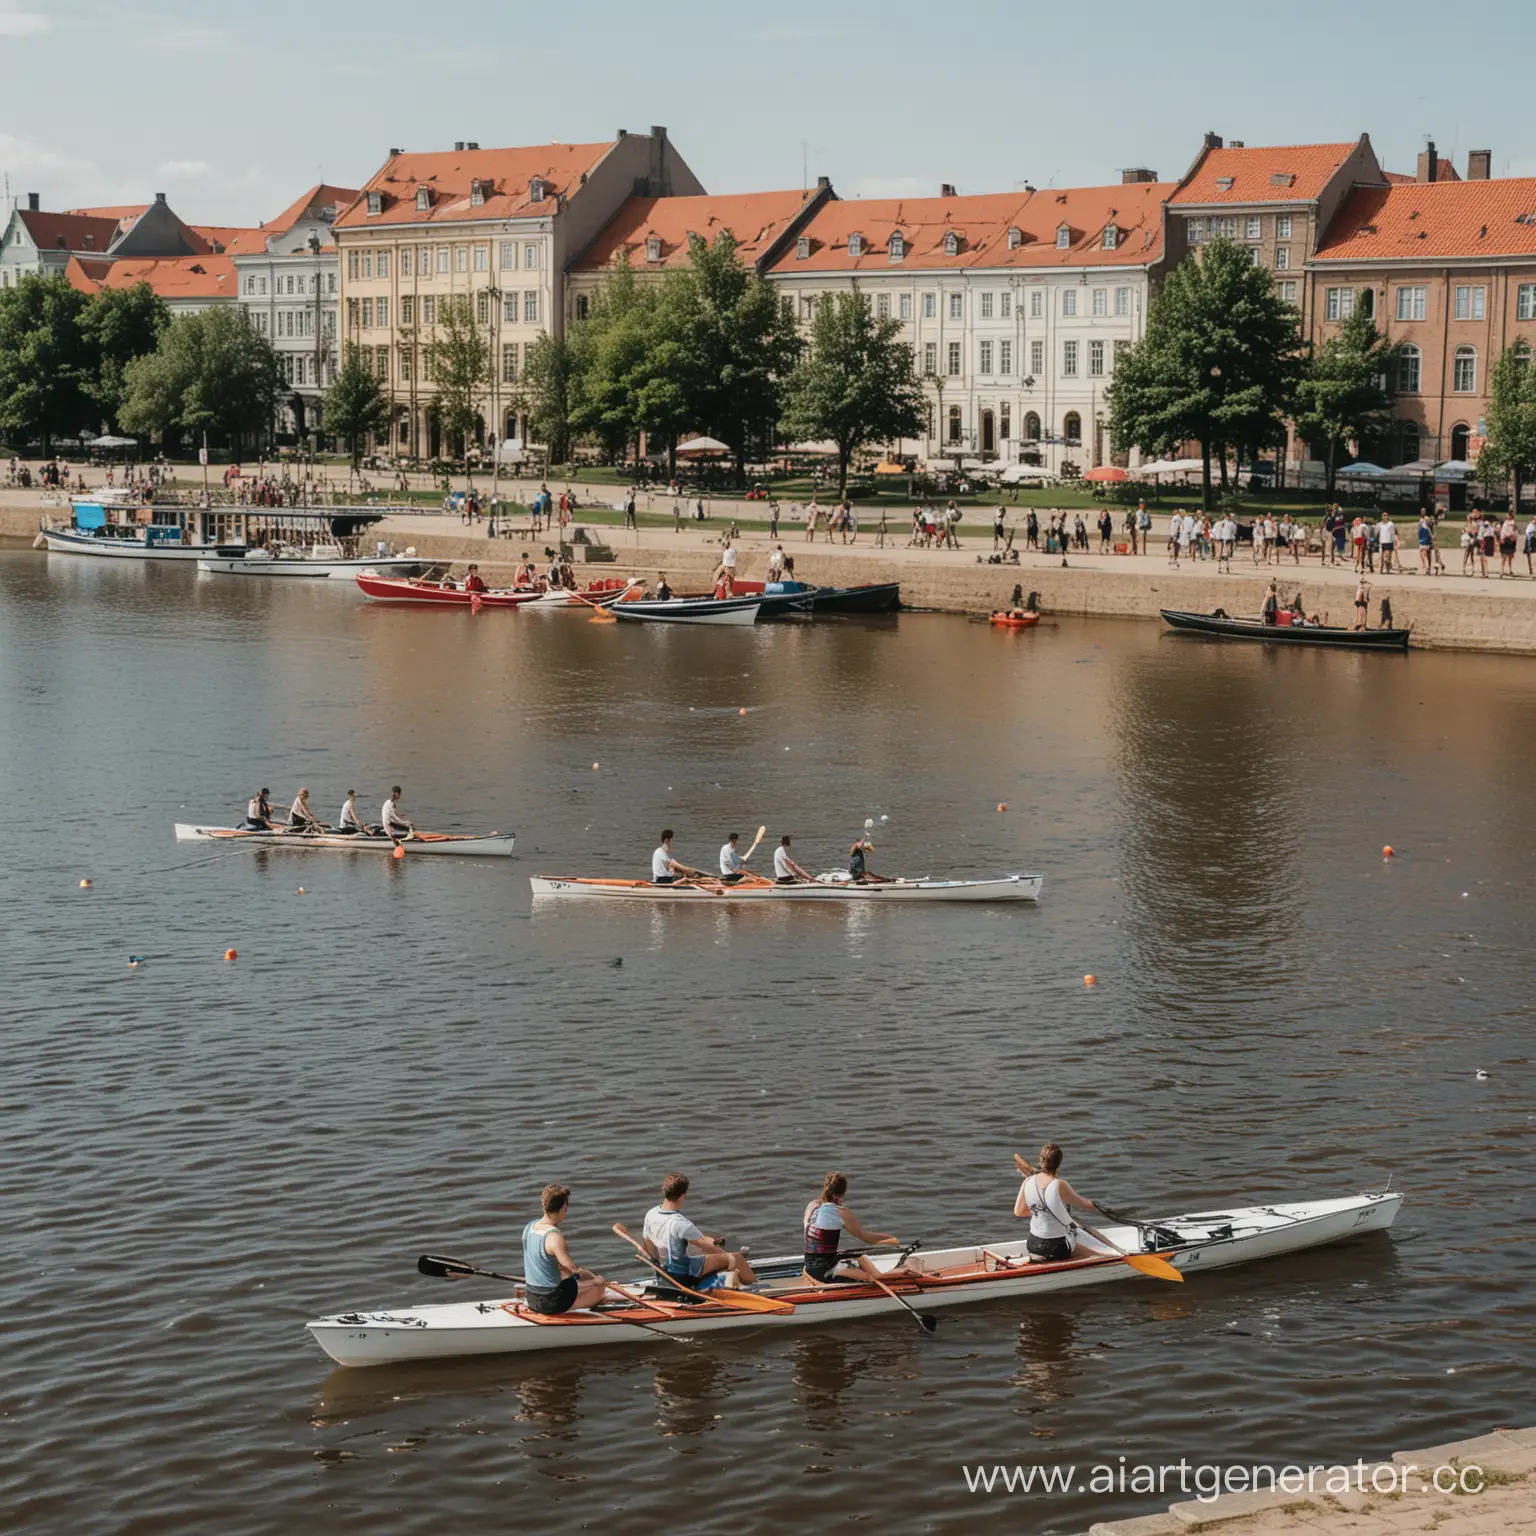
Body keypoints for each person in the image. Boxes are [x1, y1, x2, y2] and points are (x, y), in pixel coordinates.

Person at [643, 1172, 756, 1290]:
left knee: (704, 1256)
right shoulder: (680, 1223)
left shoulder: (651, 1214)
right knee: (734, 1258)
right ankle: (756, 1288)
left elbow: (649, 1245)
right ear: (683, 1196)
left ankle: (723, 1281)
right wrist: (727, 1257)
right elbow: (710, 1248)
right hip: (683, 1273)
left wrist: (658, 1268)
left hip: (665, 1273)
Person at [802, 1172, 914, 1284]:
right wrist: (893, 1240)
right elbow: (866, 1237)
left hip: (809, 1266)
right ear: (843, 1192)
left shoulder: (812, 1205)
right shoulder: (840, 1212)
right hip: (823, 1271)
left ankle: (885, 1274)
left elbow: (811, 1231)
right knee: (869, 1277)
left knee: (860, 1257)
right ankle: (903, 1275)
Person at [522, 1183, 608, 1315]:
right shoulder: (554, 1236)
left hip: (531, 1296)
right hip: (551, 1303)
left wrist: (588, 1276)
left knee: (581, 1278)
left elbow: (560, 1268)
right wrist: (596, 1281)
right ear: (563, 1208)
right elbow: (573, 1271)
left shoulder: (529, 1227)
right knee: (600, 1289)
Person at [1012, 1143, 1106, 1262]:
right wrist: (1099, 1207)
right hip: (1055, 1248)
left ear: (1041, 1160)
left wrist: (1039, 1211)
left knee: (1071, 1229)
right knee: (1077, 1234)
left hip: (1033, 1244)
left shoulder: (1028, 1181)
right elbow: (1084, 1205)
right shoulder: (1059, 1184)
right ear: (1059, 1164)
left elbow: (1019, 1212)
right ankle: (1097, 1260)